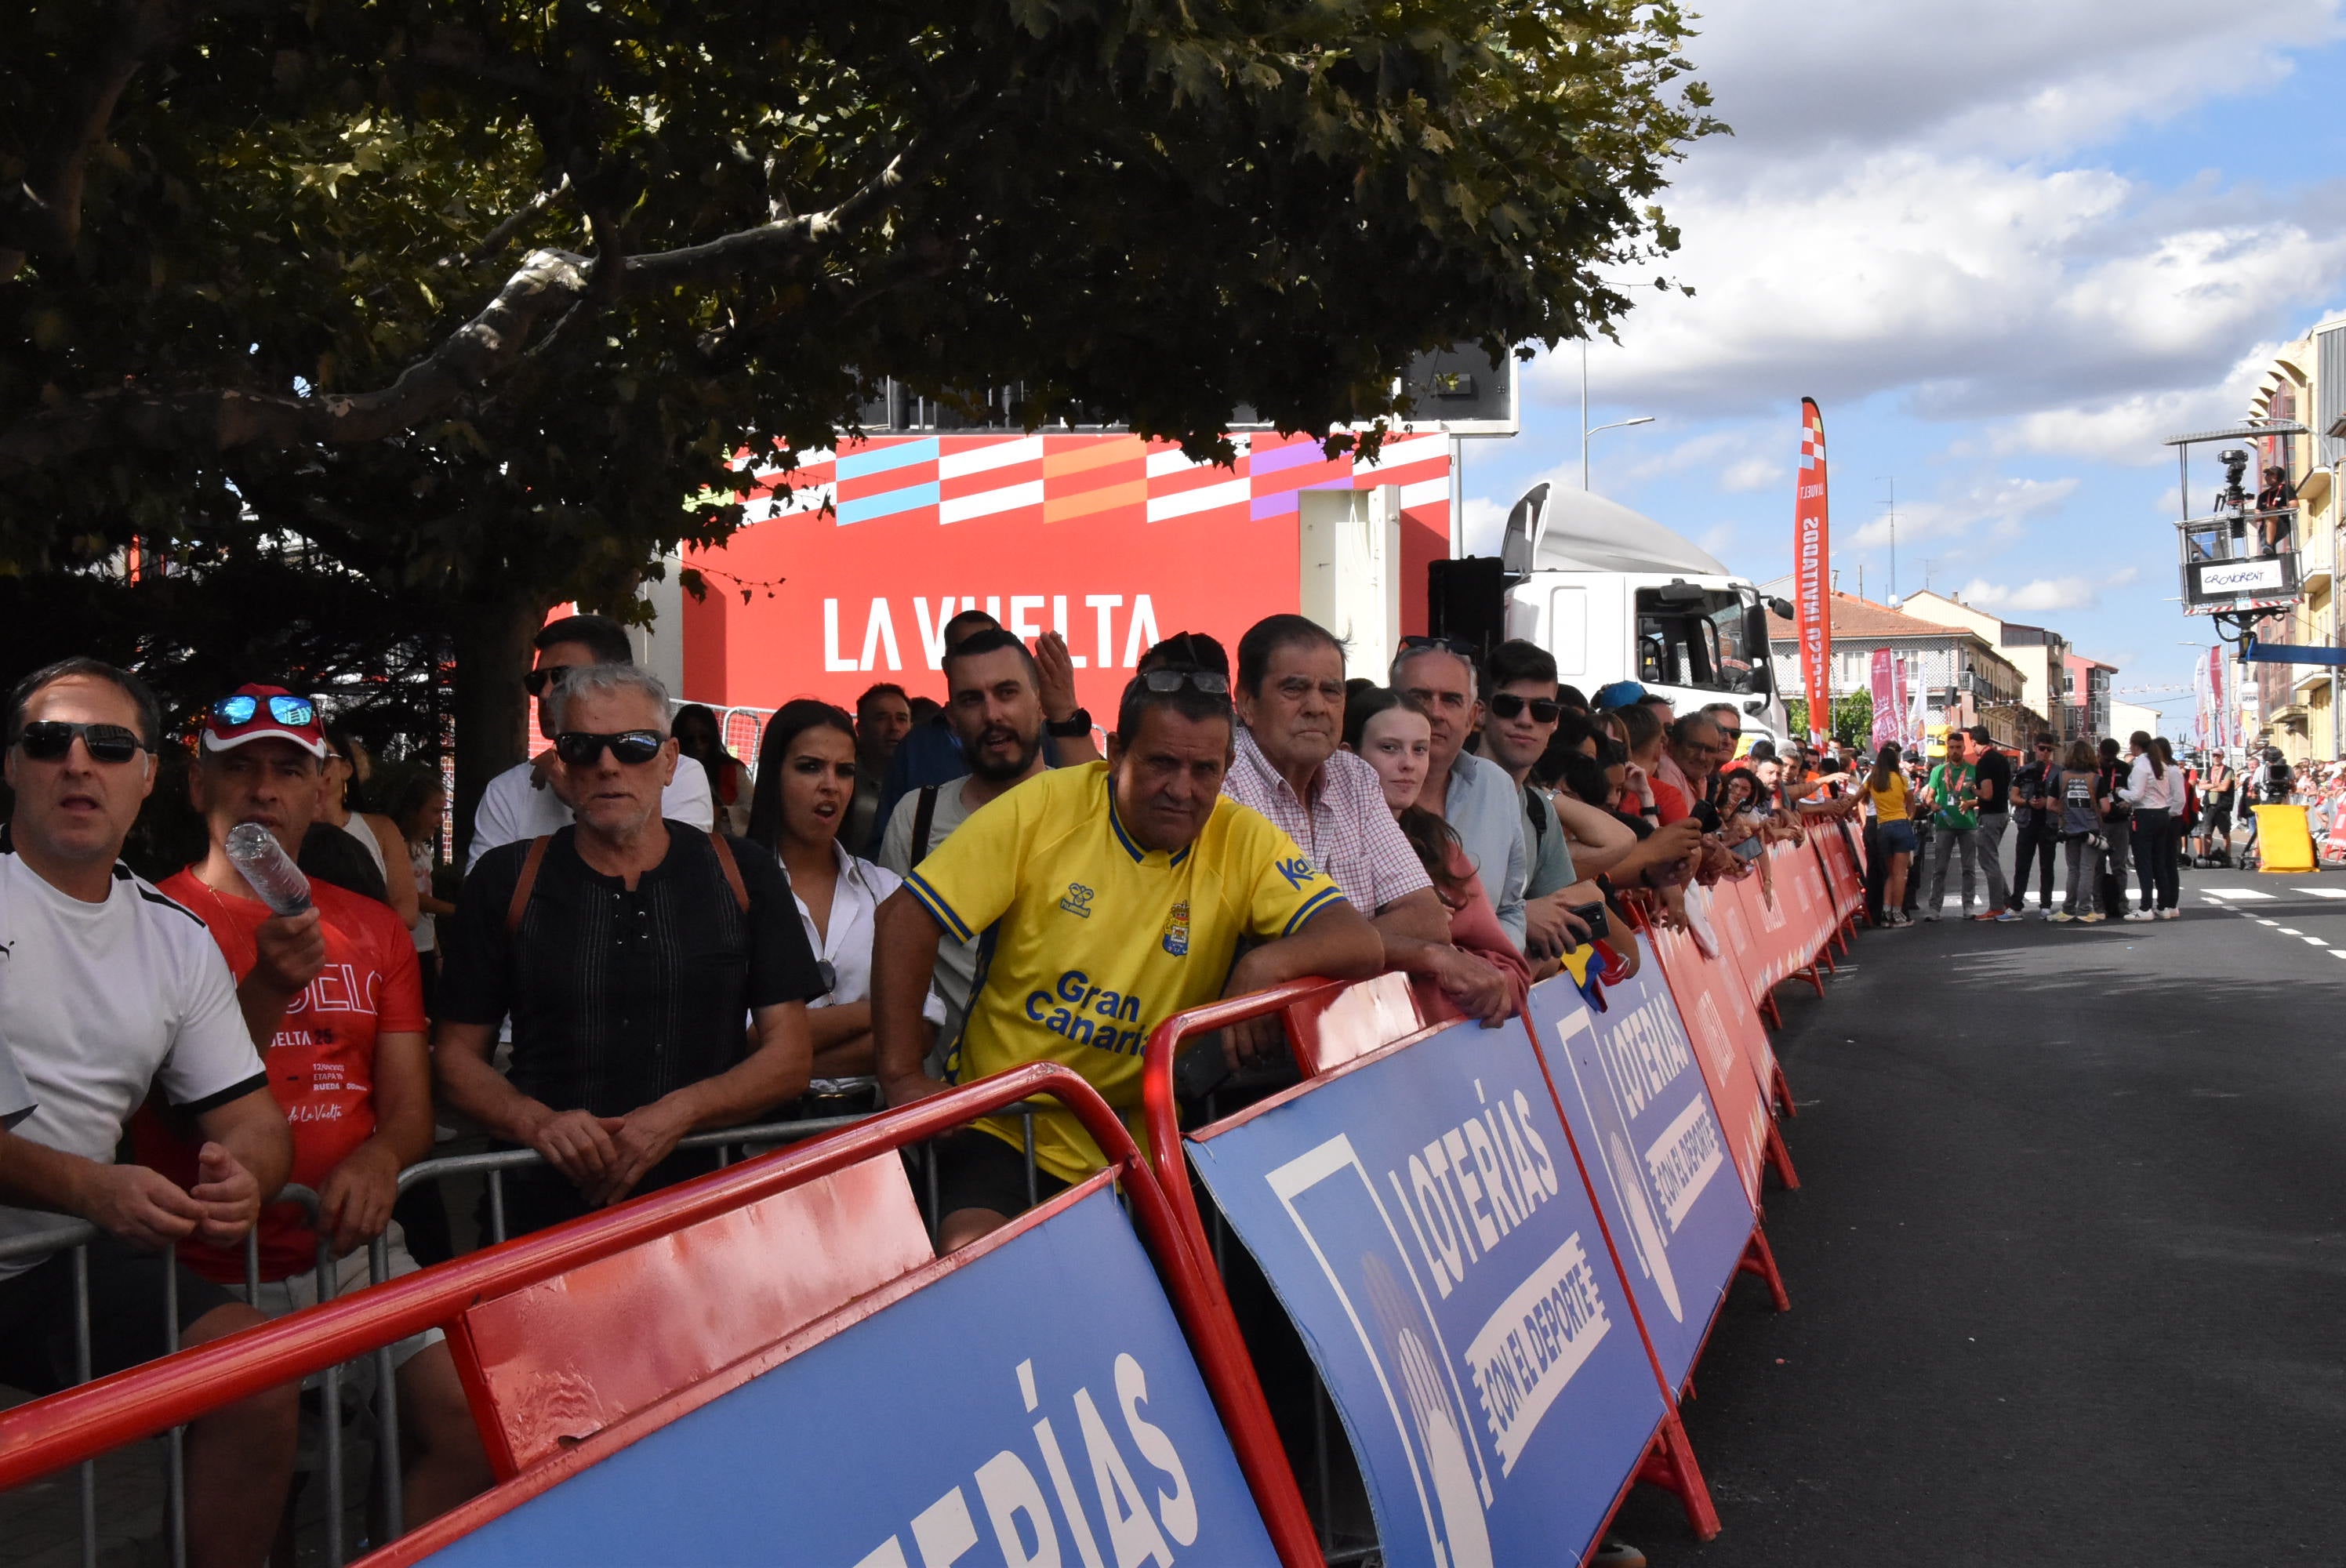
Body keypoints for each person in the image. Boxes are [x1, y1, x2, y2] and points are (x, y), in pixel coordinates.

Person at [870, 664, 1384, 1250]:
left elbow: (1358, 941)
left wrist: (1264, 966)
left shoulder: (1242, 836)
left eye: (1203, 770)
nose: (1183, 789)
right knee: (977, 1257)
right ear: (1115, 752)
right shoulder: (1044, 806)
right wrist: (902, 1076)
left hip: (1138, 1144)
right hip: (1006, 1126)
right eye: (1162, 763)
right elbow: (905, 918)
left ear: (1228, 770)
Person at [136, 686, 490, 1523]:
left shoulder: (372, 926)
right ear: (197, 785)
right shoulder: (150, 920)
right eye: (241, 768)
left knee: (472, 1424)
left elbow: (408, 1107)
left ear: (321, 787)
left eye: (288, 770)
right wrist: (262, 987)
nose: (264, 789)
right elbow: (166, 1109)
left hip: (356, 1253)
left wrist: (378, 1159)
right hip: (213, 1267)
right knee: (244, 1491)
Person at [0, 659, 297, 1568]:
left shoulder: (175, 935)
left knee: (255, 1372)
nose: (79, 763)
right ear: (12, 765)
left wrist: (247, 1177)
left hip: (53, 1262)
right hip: (75, 1221)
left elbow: (253, 1116)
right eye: (51, 742)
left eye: (111, 744)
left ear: (150, 773)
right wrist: (93, 1186)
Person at [434, 665, 826, 1236]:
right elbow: (454, 1058)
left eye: (634, 746)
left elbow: (789, 1058)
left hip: (709, 1211)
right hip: (541, 1214)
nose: (608, 765)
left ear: (669, 762)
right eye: (581, 746)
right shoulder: (507, 878)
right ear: (561, 763)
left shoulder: (743, 873)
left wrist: (682, 1112)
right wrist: (539, 1124)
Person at [1224, 617, 1510, 1020]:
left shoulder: (1353, 776)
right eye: (1294, 688)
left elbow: (1428, 919)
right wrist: (1418, 952)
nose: (1316, 706)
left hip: (1353, 1029)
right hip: (1260, 1041)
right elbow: (1255, 944)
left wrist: (1291, 957)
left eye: (1331, 691)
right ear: (1247, 703)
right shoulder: (1223, 779)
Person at [745, 701, 946, 1099]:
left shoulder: (885, 888)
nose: (830, 785)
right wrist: (877, 1013)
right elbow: (742, 1040)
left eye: (845, 771)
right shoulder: (733, 888)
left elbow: (923, 1026)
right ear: (773, 775)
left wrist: (780, 1066)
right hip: (764, 1146)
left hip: (872, 1137)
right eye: (809, 767)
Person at [877, 630, 1054, 1063]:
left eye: (1006, 692)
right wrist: (900, 1076)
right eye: (972, 699)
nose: (992, 713)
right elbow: (888, 963)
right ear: (952, 718)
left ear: (1041, 703)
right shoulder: (916, 817)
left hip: (1073, 1105)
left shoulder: (1090, 811)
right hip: (952, 1112)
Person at [468, 614, 713, 868]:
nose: (545, 692)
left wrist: (578, 799)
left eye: (563, 677)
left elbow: (672, 884)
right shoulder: (507, 790)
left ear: (615, 677)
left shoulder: (679, 773)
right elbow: (487, 898)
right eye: (537, 681)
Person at [1345, 689, 1531, 1001]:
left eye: (1420, 750)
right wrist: (1413, 940)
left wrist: (1455, 967)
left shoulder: (1439, 845)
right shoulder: (1315, 836)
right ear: (1348, 755)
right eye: (1389, 748)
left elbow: (1510, 972)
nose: (1408, 764)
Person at [1391, 637, 1528, 947]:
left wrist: (1495, 968)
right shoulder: (1354, 792)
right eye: (1420, 697)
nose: (1435, 713)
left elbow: (1510, 909)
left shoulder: (1496, 786)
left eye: (1451, 700)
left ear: (1472, 717)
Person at [319, 720, 419, 930]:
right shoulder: (285, 828)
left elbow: (408, 913)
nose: (315, 766)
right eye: (303, 758)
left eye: (324, 757)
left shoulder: (380, 829)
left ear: (347, 769)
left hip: (372, 953)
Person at [391, 771, 456, 1009]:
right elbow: (412, 898)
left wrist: (437, 952)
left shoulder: (422, 851)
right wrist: (458, 911)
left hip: (425, 948)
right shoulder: (395, 848)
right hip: (404, 950)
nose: (440, 820)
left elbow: (427, 909)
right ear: (412, 810)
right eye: (435, 811)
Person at [1918, 731, 1981, 921]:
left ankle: (1968, 906)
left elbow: (1983, 797)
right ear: (1948, 748)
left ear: (1963, 748)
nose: (1954, 751)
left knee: (1968, 868)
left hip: (1968, 824)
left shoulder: (1973, 771)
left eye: (1958, 747)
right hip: (1944, 824)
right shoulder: (1938, 771)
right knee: (1940, 868)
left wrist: (1971, 802)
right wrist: (1932, 804)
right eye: (1951, 747)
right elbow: (1929, 796)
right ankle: (1935, 909)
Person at [2118, 730, 2180, 920]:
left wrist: (2120, 792)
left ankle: (2145, 908)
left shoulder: (2140, 767)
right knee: (2159, 861)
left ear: (2136, 745)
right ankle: (2164, 906)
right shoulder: (2161, 765)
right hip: (2162, 813)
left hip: (2145, 814)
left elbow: (2136, 795)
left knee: (2144, 862)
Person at [847, 682, 913, 852]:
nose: (894, 727)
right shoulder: (842, 779)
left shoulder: (924, 781)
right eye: (881, 718)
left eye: (901, 719)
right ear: (860, 729)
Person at [671, 702, 754, 836]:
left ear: (713, 737)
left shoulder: (732, 769)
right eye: (690, 739)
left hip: (728, 844)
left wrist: (722, 812)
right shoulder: (670, 771)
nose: (698, 745)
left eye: (704, 738)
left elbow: (754, 808)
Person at [2052, 739, 2108, 924]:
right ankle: (2084, 910)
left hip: (2069, 829)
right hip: (2091, 830)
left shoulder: (2061, 777)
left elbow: (2050, 803)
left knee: (2073, 870)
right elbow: (2106, 807)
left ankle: (2067, 909)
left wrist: (2065, 811)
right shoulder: (2097, 779)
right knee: (2087, 870)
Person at [2004, 734, 2061, 916]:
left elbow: (2064, 799)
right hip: (2027, 822)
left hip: (2048, 823)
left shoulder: (2059, 772)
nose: (2045, 753)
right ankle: (2016, 905)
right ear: (2035, 748)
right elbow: (2013, 796)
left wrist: (2048, 803)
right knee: (2022, 865)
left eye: (2049, 750)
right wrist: (2028, 802)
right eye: (2042, 748)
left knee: (2047, 866)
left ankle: (2046, 905)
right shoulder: (2024, 771)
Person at [1964, 726, 2017, 922]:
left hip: (1990, 815)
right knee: (1991, 858)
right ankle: (2006, 901)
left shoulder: (1985, 762)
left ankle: (1996, 906)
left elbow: (1987, 793)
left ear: (1974, 742)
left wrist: (1973, 789)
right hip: (2002, 812)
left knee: (1988, 860)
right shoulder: (2000, 758)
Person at [1865, 744, 1916, 927]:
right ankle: (1898, 914)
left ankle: (1885, 914)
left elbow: (1858, 800)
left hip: (1880, 826)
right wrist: (1907, 820)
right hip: (1900, 824)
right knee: (1900, 874)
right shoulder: (1902, 779)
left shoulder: (1872, 779)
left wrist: (1842, 812)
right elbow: (1911, 804)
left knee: (1887, 874)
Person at [2094, 738, 2135, 915]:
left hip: (2119, 821)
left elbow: (2133, 791)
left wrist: (2128, 802)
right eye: (2106, 758)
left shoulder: (2124, 768)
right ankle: (2098, 904)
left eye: (2113, 758)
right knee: (2097, 866)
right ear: (2100, 753)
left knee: (2119, 866)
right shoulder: (2092, 768)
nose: (2110, 762)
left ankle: (2121, 904)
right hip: (2099, 822)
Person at [2199, 753, 2236, 866]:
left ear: (2222, 757)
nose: (2216, 757)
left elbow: (2225, 787)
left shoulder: (2228, 771)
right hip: (2209, 806)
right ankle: (2206, 857)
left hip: (2222, 806)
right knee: (2207, 832)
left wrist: (2210, 785)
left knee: (2225, 833)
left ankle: (2228, 856)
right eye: (2214, 755)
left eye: (2218, 756)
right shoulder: (2208, 770)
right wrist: (2215, 785)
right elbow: (2201, 786)